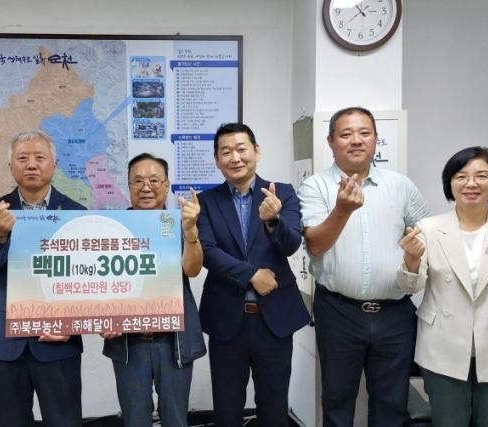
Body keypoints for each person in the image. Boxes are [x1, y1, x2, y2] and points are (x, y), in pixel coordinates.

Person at [298, 106, 429, 427]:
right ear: (331, 141)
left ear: (375, 139)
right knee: (337, 402)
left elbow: (428, 235)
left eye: (364, 133)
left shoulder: (400, 186)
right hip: (338, 312)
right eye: (346, 134)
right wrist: (342, 210)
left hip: (396, 313)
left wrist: (416, 252)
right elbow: (315, 244)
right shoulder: (316, 186)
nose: (356, 140)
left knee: (392, 405)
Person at [398, 146, 488, 426]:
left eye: (482, 176)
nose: (471, 183)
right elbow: (410, 287)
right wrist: (411, 260)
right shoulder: (429, 228)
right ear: (450, 182)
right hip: (442, 349)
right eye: (461, 176)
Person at [197, 123, 309, 426]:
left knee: (274, 407)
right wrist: (252, 275)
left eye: (241, 149)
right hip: (226, 319)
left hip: (274, 319)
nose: (235, 157)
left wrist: (273, 221)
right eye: (226, 152)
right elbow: (207, 252)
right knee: (227, 407)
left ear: (256, 151)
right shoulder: (207, 202)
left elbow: (291, 244)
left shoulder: (282, 193)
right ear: (217, 159)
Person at [0, 131, 85, 427]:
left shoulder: (76, 213)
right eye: (22, 158)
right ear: (11, 166)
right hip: (6, 337)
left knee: (64, 420)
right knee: (10, 421)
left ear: (54, 164)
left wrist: (71, 323)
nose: (31, 164)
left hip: (58, 337)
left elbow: (83, 279)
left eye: (39, 157)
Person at [101, 153, 206, 427]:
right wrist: (103, 317)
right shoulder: (111, 227)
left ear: (167, 185)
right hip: (128, 341)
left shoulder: (180, 222)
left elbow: (192, 269)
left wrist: (190, 231)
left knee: (176, 419)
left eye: (154, 180)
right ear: (128, 186)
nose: (146, 187)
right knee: (135, 419)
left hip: (173, 339)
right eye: (137, 181)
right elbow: (99, 281)